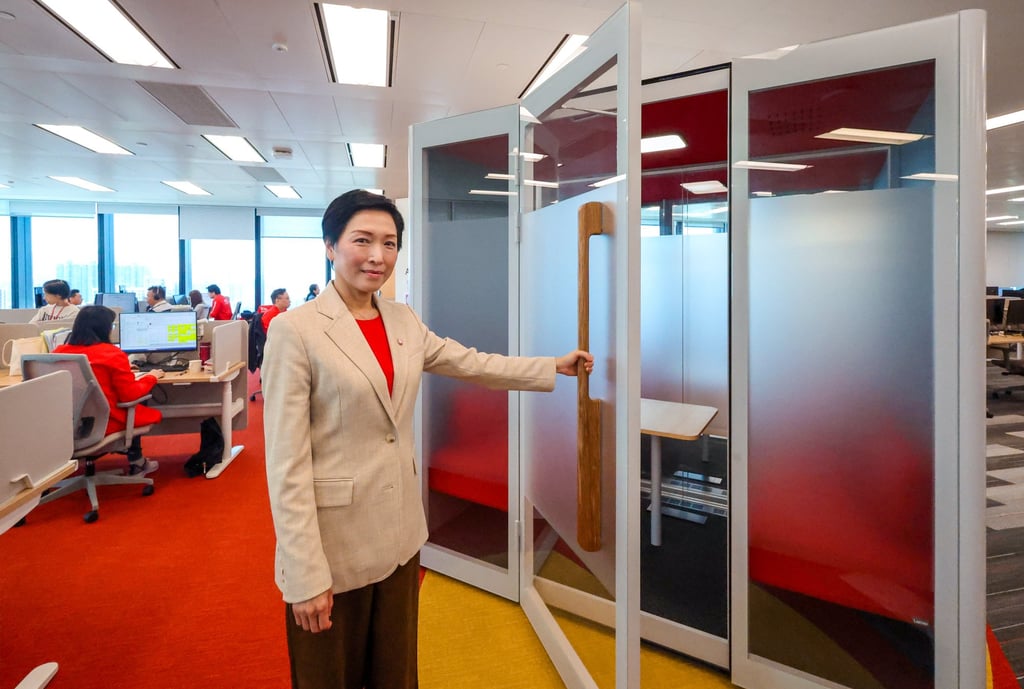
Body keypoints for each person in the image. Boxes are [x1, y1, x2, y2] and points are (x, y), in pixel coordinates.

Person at [262, 189, 593, 689]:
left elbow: (472, 362)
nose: (378, 256)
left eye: (390, 243)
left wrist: (550, 366)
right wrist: (304, 572)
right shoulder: (297, 330)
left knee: (395, 672)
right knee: (330, 675)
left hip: (398, 534)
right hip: (333, 544)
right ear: (331, 245)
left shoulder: (403, 320)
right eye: (363, 241)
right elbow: (286, 463)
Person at [53, 305, 162, 475]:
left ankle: (137, 459)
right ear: (104, 329)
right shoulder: (111, 354)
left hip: (67, 425)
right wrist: (152, 376)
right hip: (106, 422)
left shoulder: (59, 353)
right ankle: (136, 460)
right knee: (140, 401)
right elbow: (130, 395)